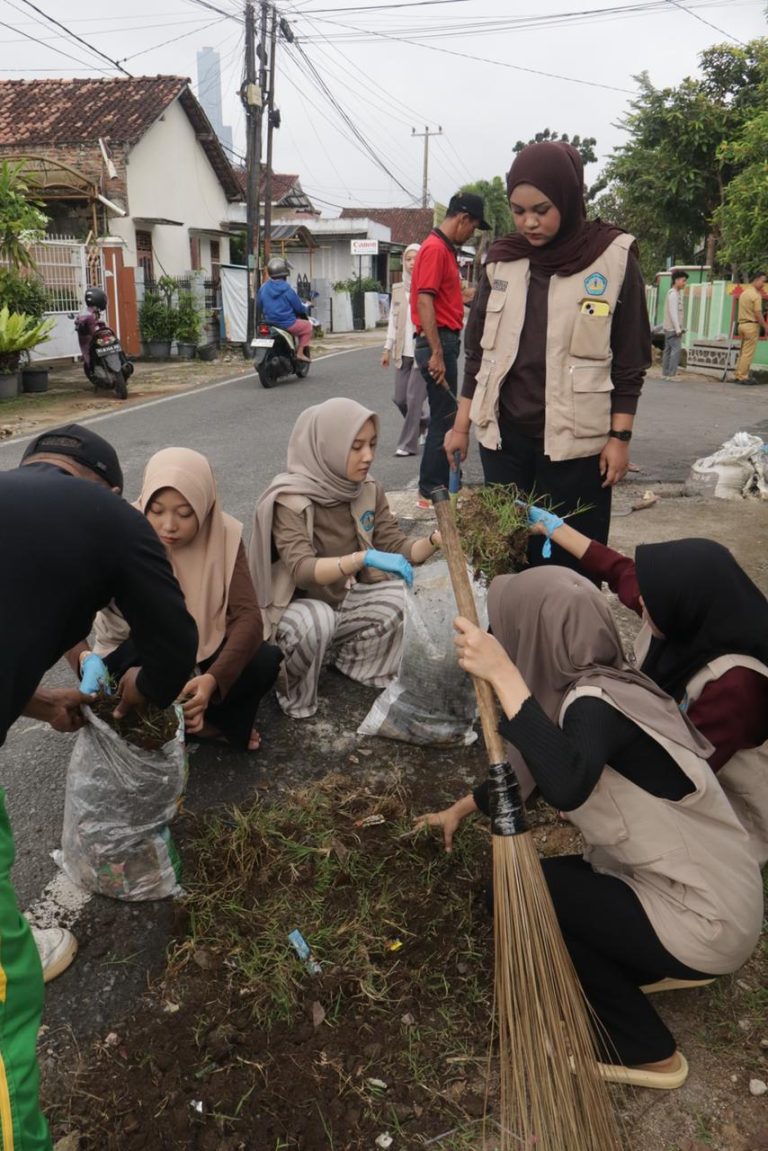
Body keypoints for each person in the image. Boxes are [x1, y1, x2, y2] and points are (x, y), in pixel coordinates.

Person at [416, 568, 763, 1090]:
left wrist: (506, 676)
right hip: (718, 895)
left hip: (706, 917)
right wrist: (461, 810)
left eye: (511, 630)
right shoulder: (603, 686)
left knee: (520, 892)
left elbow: (567, 784)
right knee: (555, 886)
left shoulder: (595, 703)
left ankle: (643, 1050)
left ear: (537, 634)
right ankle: (660, 967)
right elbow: (536, 766)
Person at [2, 423, 198, 1150]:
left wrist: (40, 699)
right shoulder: (109, 516)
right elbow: (177, 645)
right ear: (111, 489)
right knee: (6, 1001)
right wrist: (141, 687)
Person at [444, 141, 651, 571]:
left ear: (570, 198)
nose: (529, 222)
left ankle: (571, 638)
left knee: (572, 564)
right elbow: (477, 353)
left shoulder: (612, 258)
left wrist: (620, 439)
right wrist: (460, 427)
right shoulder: (501, 260)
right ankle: (507, 638)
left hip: (577, 447)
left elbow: (631, 360)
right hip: (504, 443)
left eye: (542, 208)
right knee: (505, 558)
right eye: (519, 211)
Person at [525, 509, 768, 860]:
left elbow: (679, 774)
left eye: (648, 602)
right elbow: (618, 569)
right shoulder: (684, 615)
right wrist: (555, 529)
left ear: (686, 606)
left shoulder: (736, 687)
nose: (638, 603)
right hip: (675, 749)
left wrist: (588, 794)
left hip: (715, 796)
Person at [248, 398, 442, 718]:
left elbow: (395, 543)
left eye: (372, 445)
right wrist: (360, 559)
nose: (367, 456)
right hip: (295, 610)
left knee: (407, 596)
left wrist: (436, 540)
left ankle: (352, 661)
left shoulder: (366, 489)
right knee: (316, 622)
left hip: (343, 601)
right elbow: (302, 571)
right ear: (328, 446)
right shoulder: (290, 499)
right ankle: (295, 694)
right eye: (356, 447)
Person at [88, 448, 283, 752]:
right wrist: (84, 659)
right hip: (136, 653)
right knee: (149, 650)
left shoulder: (225, 535)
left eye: (184, 513)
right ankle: (162, 720)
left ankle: (200, 724)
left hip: (200, 651)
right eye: (157, 510)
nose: (169, 526)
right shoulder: (123, 531)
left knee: (263, 660)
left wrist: (213, 680)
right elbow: (65, 603)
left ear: (204, 508)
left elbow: (248, 617)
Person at [411, 191, 490, 506]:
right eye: (473, 226)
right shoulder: (434, 250)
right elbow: (424, 300)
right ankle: (431, 489)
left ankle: (436, 484)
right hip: (437, 341)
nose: (472, 232)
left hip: (443, 339)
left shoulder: (444, 249)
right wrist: (437, 352)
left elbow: (445, 296)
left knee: (445, 414)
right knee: (446, 417)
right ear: (463, 218)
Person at [381, 243, 428, 457]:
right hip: (402, 352)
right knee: (399, 398)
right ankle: (424, 423)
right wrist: (387, 348)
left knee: (413, 399)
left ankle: (408, 445)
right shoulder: (398, 289)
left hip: (421, 352)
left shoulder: (428, 286)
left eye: (416, 258)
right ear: (403, 262)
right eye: (408, 259)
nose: (412, 263)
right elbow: (393, 320)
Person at [257, 257, 312, 362]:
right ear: (284, 273)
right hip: (287, 324)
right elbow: (298, 308)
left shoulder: (263, 288)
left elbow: (259, 305)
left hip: (269, 323)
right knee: (307, 326)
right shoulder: (287, 289)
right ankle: (300, 353)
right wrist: (305, 307)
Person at [734, 271, 767, 384]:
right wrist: (765, 326)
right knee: (748, 353)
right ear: (757, 279)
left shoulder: (744, 293)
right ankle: (743, 376)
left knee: (743, 352)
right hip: (751, 326)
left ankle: (738, 374)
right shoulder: (756, 295)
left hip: (741, 325)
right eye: (763, 281)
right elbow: (758, 313)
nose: (763, 284)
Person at [661, 269, 688, 380]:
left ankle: (665, 373)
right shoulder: (673, 294)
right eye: (683, 280)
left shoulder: (673, 293)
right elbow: (673, 312)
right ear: (676, 280)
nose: (685, 283)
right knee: (676, 351)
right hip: (672, 328)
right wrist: (678, 329)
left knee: (667, 350)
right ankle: (672, 375)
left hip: (669, 328)